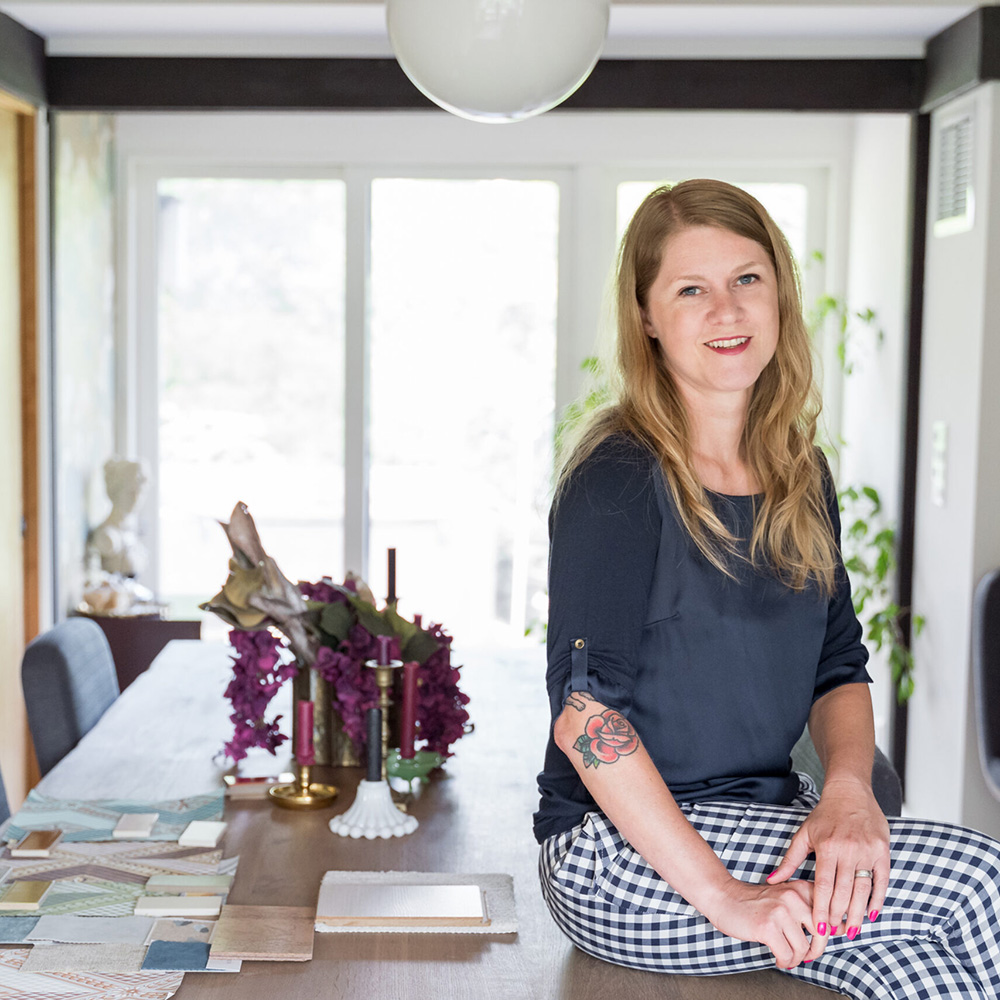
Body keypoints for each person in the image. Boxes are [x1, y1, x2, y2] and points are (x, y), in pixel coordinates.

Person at [534, 179, 1000, 997]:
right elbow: (586, 719)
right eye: (691, 289)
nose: (727, 309)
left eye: (747, 279)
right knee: (974, 883)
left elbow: (837, 667)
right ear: (646, 316)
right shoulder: (620, 476)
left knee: (924, 968)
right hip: (617, 856)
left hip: (764, 819)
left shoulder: (797, 469)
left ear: (778, 291)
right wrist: (730, 899)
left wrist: (851, 794)